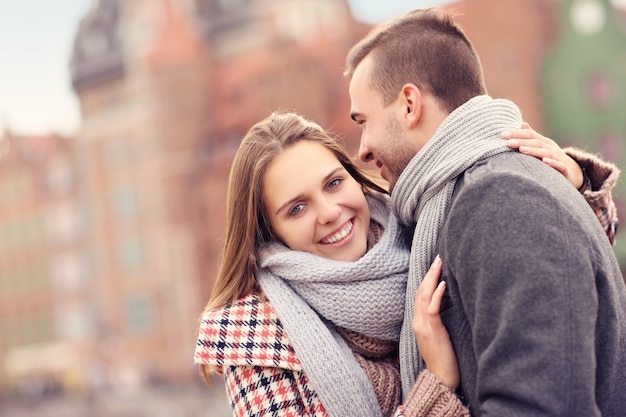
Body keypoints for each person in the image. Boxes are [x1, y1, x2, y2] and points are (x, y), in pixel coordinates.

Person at [194, 111, 619, 416]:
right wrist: (434, 384)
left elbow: (563, 280)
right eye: (297, 208)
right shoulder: (259, 344)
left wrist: (570, 189)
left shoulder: (423, 231)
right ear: (272, 233)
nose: (329, 212)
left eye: (334, 183)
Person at [344, 7, 625, 416]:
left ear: (409, 103)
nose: (363, 148)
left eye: (363, 121)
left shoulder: (498, 198)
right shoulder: (477, 195)